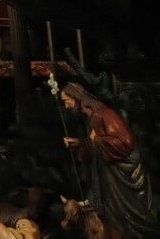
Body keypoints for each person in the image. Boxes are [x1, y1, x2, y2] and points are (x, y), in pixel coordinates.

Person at [60, 83, 159, 238]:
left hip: (122, 175)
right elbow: (95, 144)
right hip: (108, 178)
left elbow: (126, 142)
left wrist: (96, 141)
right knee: (111, 217)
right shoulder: (92, 117)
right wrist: (80, 143)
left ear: (77, 97)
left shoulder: (104, 114)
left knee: (127, 217)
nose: (66, 106)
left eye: (67, 101)